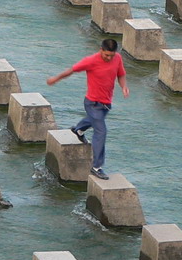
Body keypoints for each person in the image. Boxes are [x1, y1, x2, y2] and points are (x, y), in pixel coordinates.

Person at [46, 39, 129, 180]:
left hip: (106, 103)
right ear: (101, 49)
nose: (109, 58)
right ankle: (97, 167)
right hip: (92, 103)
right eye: (106, 55)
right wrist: (56, 78)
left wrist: (123, 86)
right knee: (101, 131)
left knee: (94, 121)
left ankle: (78, 129)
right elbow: (71, 70)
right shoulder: (90, 61)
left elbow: (120, 74)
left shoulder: (118, 59)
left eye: (111, 55)